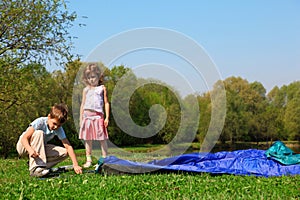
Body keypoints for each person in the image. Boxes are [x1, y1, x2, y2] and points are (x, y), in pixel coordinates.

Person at [16, 103, 82, 177]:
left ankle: (39, 166)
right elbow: (24, 139)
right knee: (39, 133)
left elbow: (68, 146)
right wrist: (30, 150)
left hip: (38, 149)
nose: (56, 127)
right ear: (49, 117)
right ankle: (35, 169)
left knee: (65, 152)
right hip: (24, 147)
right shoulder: (40, 122)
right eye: (54, 123)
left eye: (59, 125)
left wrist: (76, 165)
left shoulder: (58, 129)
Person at [79, 63, 109, 168]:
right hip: (87, 117)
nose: (91, 79)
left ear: (98, 77)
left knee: (102, 138)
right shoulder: (86, 90)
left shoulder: (102, 88)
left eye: (93, 77)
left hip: (98, 117)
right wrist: (81, 118)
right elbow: (83, 104)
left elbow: (106, 103)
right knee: (87, 139)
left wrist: (107, 117)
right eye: (89, 77)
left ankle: (105, 158)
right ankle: (88, 160)